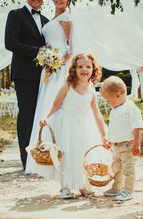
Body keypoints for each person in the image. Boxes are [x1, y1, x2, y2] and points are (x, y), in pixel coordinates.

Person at [37, 53, 107, 199]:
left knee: (82, 155)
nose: (84, 70)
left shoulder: (91, 88)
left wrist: (103, 135)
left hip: (83, 125)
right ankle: (65, 186)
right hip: (66, 124)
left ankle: (82, 184)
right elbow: (55, 104)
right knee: (66, 155)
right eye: (80, 66)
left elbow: (97, 114)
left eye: (88, 67)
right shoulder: (68, 86)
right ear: (74, 69)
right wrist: (45, 117)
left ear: (94, 70)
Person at [25, 0, 73, 174]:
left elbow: (71, 47)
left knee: (59, 104)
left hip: (60, 67)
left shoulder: (66, 19)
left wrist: (60, 63)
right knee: (46, 104)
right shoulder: (48, 19)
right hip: (49, 67)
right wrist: (48, 59)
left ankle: (63, 150)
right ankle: (44, 152)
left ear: (68, 0)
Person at [5, 0, 49, 171]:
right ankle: (26, 161)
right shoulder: (16, 15)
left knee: (41, 117)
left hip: (44, 77)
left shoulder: (46, 20)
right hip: (24, 75)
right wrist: (37, 51)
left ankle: (42, 157)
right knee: (27, 117)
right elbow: (10, 43)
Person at [99, 76, 143, 201]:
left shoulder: (130, 109)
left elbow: (137, 127)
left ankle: (128, 190)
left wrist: (136, 144)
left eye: (108, 100)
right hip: (116, 146)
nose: (107, 103)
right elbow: (114, 128)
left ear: (118, 95)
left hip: (128, 146)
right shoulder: (115, 109)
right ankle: (117, 187)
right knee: (116, 168)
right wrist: (109, 140)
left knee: (128, 170)